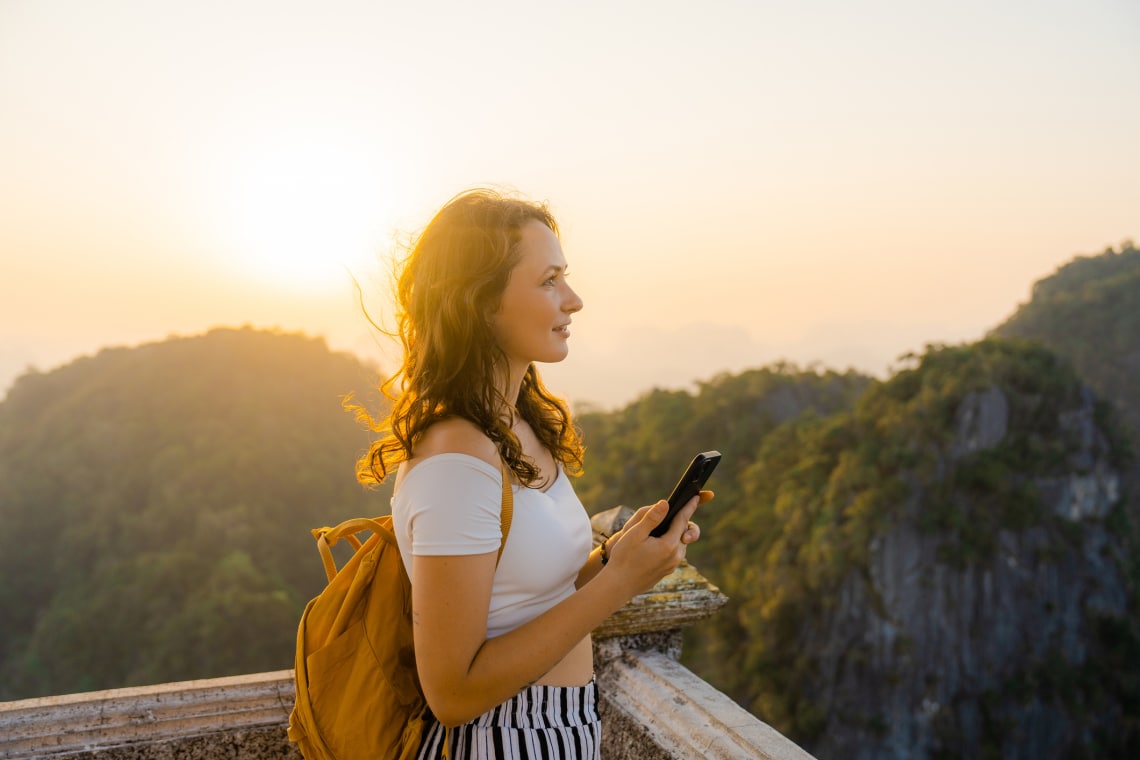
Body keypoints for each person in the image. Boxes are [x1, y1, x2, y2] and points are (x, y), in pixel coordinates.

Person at [355, 188, 708, 759]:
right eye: (549, 281)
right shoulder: (456, 463)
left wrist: (618, 559)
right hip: (500, 738)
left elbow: (533, 601)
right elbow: (452, 693)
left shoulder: (515, 425)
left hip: (560, 727)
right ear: (480, 302)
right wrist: (620, 583)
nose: (574, 300)